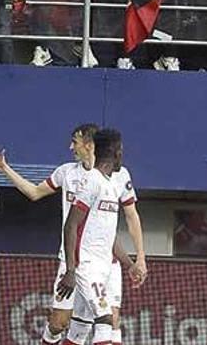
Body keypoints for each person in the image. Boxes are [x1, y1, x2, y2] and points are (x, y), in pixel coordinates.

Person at [0, 124, 147, 345]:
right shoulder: (69, 173)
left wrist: (135, 260)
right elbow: (36, 193)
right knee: (59, 322)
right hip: (76, 258)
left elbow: (123, 221)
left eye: (75, 142)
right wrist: (4, 169)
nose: (71, 147)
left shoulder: (118, 177)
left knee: (102, 320)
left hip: (104, 260)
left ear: (90, 145)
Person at [57, 129, 141, 345]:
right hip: (86, 266)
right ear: (114, 152)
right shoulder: (92, 181)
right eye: (120, 150)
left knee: (79, 330)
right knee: (105, 319)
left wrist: (129, 264)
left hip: (103, 267)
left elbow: (108, 235)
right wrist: (71, 270)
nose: (123, 154)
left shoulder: (110, 185)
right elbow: (71, 225)